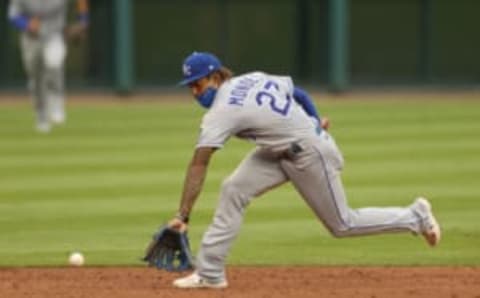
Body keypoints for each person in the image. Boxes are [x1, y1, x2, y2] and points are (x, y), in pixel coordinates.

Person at [168, 52, 441, 289]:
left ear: (215, 76)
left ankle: (415, 217)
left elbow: (199, 163)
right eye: (190, 86)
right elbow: (298, 93)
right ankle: (210, 272)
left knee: (343, 224)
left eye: (198, 84)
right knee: (234, 189)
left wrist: (183, 215)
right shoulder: (252, 78)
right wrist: (313, 118)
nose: (194, 92)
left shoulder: (220, 112)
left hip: (310, 155)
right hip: (280, 150)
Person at [7, 0, 89, 133]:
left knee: (54, 63)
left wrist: (83, 21)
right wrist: (26, 24)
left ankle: (57, 101)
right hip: (31, 38)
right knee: (36, 78)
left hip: (54, 35)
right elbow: (13, 16)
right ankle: (41, 116)